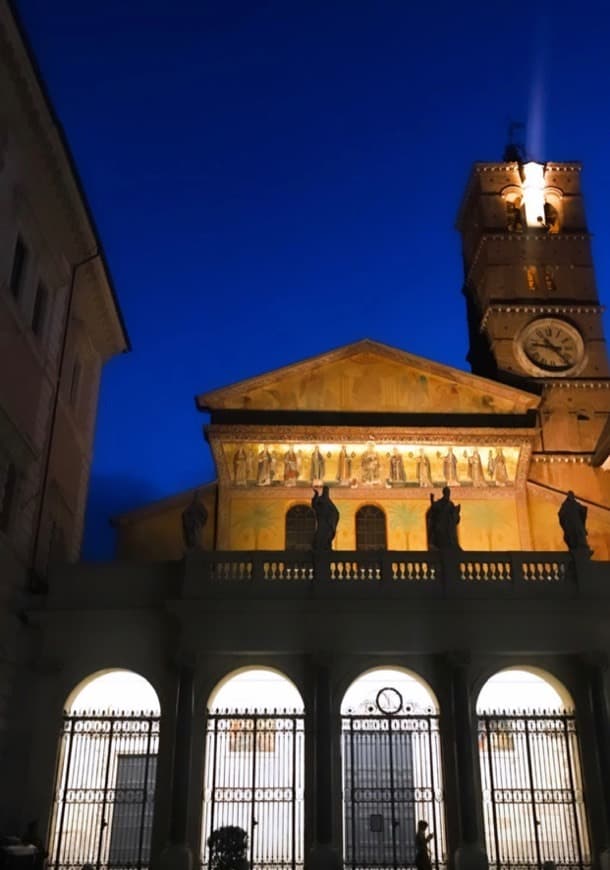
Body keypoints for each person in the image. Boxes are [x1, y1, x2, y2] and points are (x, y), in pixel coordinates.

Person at [428, 486, 461, 550]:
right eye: (447, 492)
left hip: (448, 527)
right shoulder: (440, 503)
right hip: (441, 526)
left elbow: (454, 515)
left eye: (448, 492)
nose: (448, 494)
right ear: (444, 493)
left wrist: (456, 511)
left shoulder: (450, 504)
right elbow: (434, 509)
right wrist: (432, 500)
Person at [311, 485, 339, 551]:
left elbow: (335, 512)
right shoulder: (321, 499)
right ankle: (318, 547)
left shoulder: (329, 502)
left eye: (327, 491)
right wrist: (316, 495)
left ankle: (325, 547)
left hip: (328, 523)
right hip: (322, 521)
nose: (326, 492)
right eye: (325, 491)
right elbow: (314, 505)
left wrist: (331, 520)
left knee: (327, 536)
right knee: (320, 535)